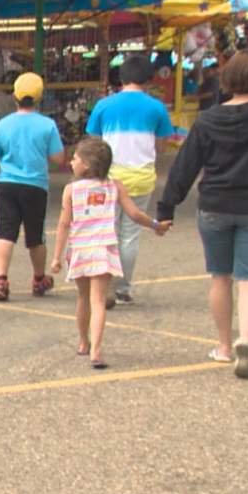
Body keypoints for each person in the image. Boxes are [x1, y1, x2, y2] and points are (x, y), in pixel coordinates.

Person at [157, 49, 248, 380]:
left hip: (215, 207)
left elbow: (184, 167)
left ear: (227, 79)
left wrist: (167, 208)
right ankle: (245, 338)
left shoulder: (208, 119)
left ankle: (222, 346)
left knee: (220, 276)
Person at [50, 138, 166, 370]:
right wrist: (156, 225)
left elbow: (64, 224)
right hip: (104, 249)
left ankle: (84, 342)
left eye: (75, 159)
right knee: (99, 301)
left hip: (81, 249)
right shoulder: (115, 186)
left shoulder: (71, 190)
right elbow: (134, 213)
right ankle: (97, 349)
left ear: (87, 165)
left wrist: (56, 256)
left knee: (83, 299)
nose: (71, 162)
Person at [84, 54, 173, 307]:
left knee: (107, 230)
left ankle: (103, 283)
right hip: (141, 177)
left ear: (121, 78)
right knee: (130, 234)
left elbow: (93, 142)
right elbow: (163, 145)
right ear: (148, 79)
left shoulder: (104, 105)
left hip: (108, 176)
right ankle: (123, 288)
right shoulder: (157, 108)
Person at [0, 72, 65, 301]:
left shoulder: (2, 125)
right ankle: (39, 278)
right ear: (40, 99)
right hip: (36, 185)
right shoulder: (47, 125)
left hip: (7, 183)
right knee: (35, 235)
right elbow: (59, 158)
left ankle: (1, 279)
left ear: (14, 97)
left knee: (4, 233)